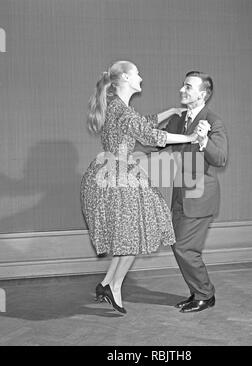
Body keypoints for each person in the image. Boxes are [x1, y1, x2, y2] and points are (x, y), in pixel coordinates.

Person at [80, 61, 202, 314]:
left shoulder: (118, 108)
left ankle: (106, 284)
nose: (141, 77)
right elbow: (152, 137)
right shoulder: (122, 111)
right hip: (119, 177)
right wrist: (191, 137)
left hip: (114, 173)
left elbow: (141, 124)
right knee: (132, 237)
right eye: (137, 73)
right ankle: (114, 286)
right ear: (125, 76)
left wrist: (168, 112)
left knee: (129, 236)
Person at [163, 71, 228, 313]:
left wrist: (203, 141)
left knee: (184, 248)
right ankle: (197, 292)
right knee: (179, 246)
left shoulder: (213, 120)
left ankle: (204, 294)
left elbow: (220, 158)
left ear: (202, 94)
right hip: (180, 195)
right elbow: (158, 140)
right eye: (183, 85)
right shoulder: (179, 119)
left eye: (188, 87)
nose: (182, 89)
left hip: (200, 197)